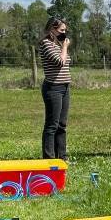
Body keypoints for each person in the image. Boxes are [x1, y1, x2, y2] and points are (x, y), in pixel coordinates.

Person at [38, 17, 71, 161]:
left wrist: (62, 46)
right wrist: (65, 47)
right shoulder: (46, 44)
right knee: (52, 124)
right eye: (62, 30)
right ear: (52, 29)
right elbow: (59, 62)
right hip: (53, 88)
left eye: (65, 30)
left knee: (62, 125)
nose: (64, 33)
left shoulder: (57, 44)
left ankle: (61, 157)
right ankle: (49, 158)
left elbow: (66, 62)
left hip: (65, 87)